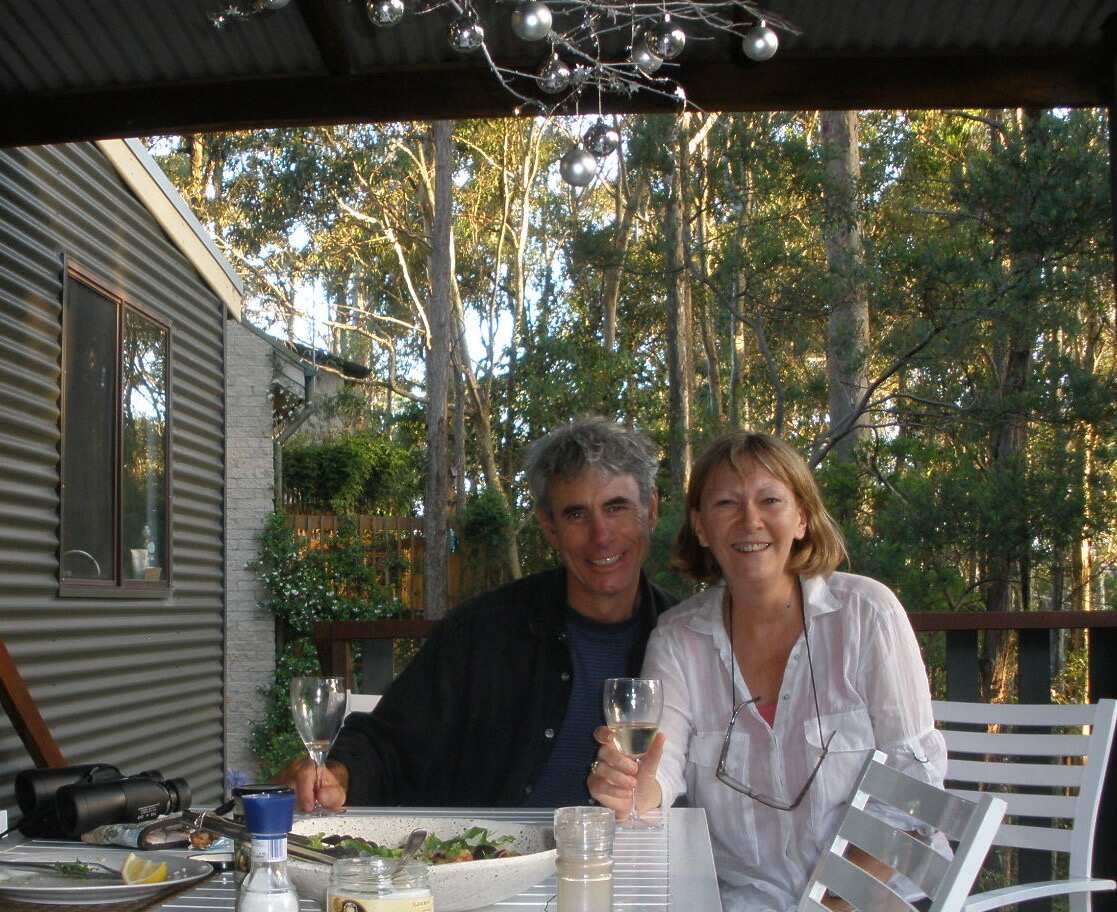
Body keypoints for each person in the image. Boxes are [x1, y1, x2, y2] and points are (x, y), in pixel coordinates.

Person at [588, 430, 946, 912]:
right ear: (701, 526)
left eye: (770, 500)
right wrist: (631, 790)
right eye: (726, 503)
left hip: (882, 899)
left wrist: (832, 905)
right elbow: (660, 771)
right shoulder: (677, 639)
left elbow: (913, 796)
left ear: (801, 517)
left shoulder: (867, 614)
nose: (750, 520)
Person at [279, 416, 677, 811]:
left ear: (651, 509)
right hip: (496, 864)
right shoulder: (483, 632)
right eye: (576, 514)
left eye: (617, 507)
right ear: (549, 527)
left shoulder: (687, 642)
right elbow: (389, 742)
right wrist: (336, 776)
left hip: (639, 862)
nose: (601, 534)